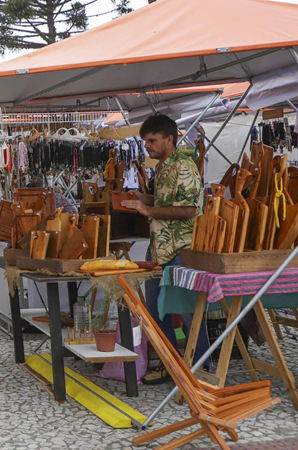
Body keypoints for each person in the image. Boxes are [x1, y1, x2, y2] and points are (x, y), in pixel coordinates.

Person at [121, 114, 209, 384]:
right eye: (144, 141)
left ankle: (200, 367)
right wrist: (141, 198)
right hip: (160, 249)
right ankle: (171, 366)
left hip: (182, 247)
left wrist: (148, 209)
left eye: (151, 140)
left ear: (169, 139)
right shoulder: (162, 167)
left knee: (185, 309)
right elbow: (164, 202)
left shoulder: (183, 166)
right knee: (157, 312)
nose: (146, 146)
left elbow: (190, 209)